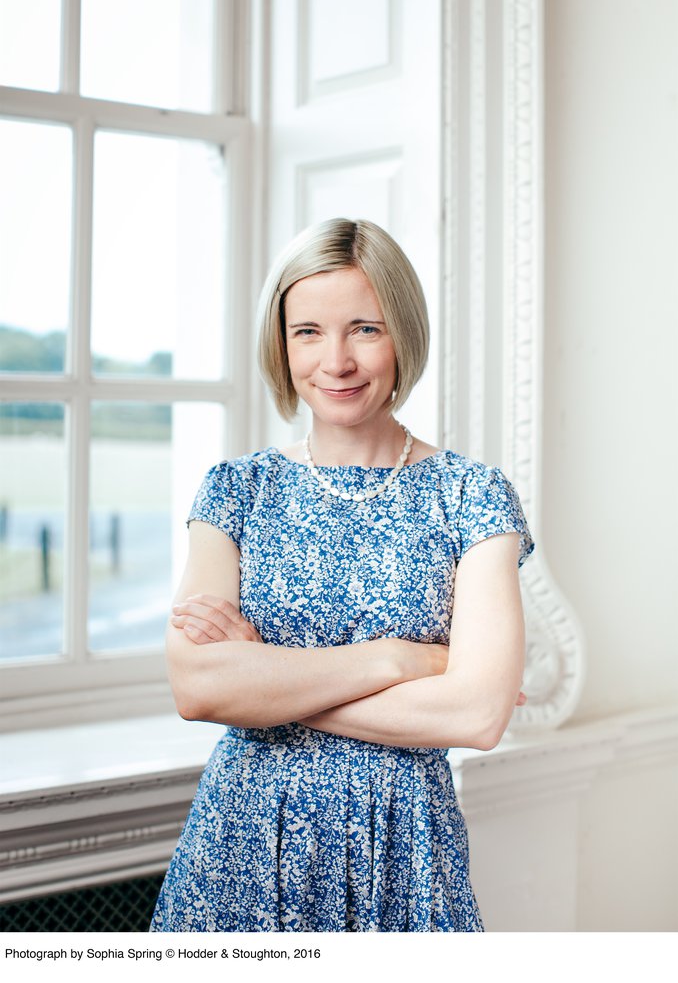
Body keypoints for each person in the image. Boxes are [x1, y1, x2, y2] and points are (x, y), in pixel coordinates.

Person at [150, 218, 533, 933]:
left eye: (365, 328)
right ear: (281, 342)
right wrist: (402, 661)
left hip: (405, 847)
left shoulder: (472, 496)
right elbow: (197, 686)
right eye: (308, 333)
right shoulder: (236, 490)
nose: (337, 361)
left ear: (403, 334)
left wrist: (263, 682)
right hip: (243, 844)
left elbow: (477, 715)